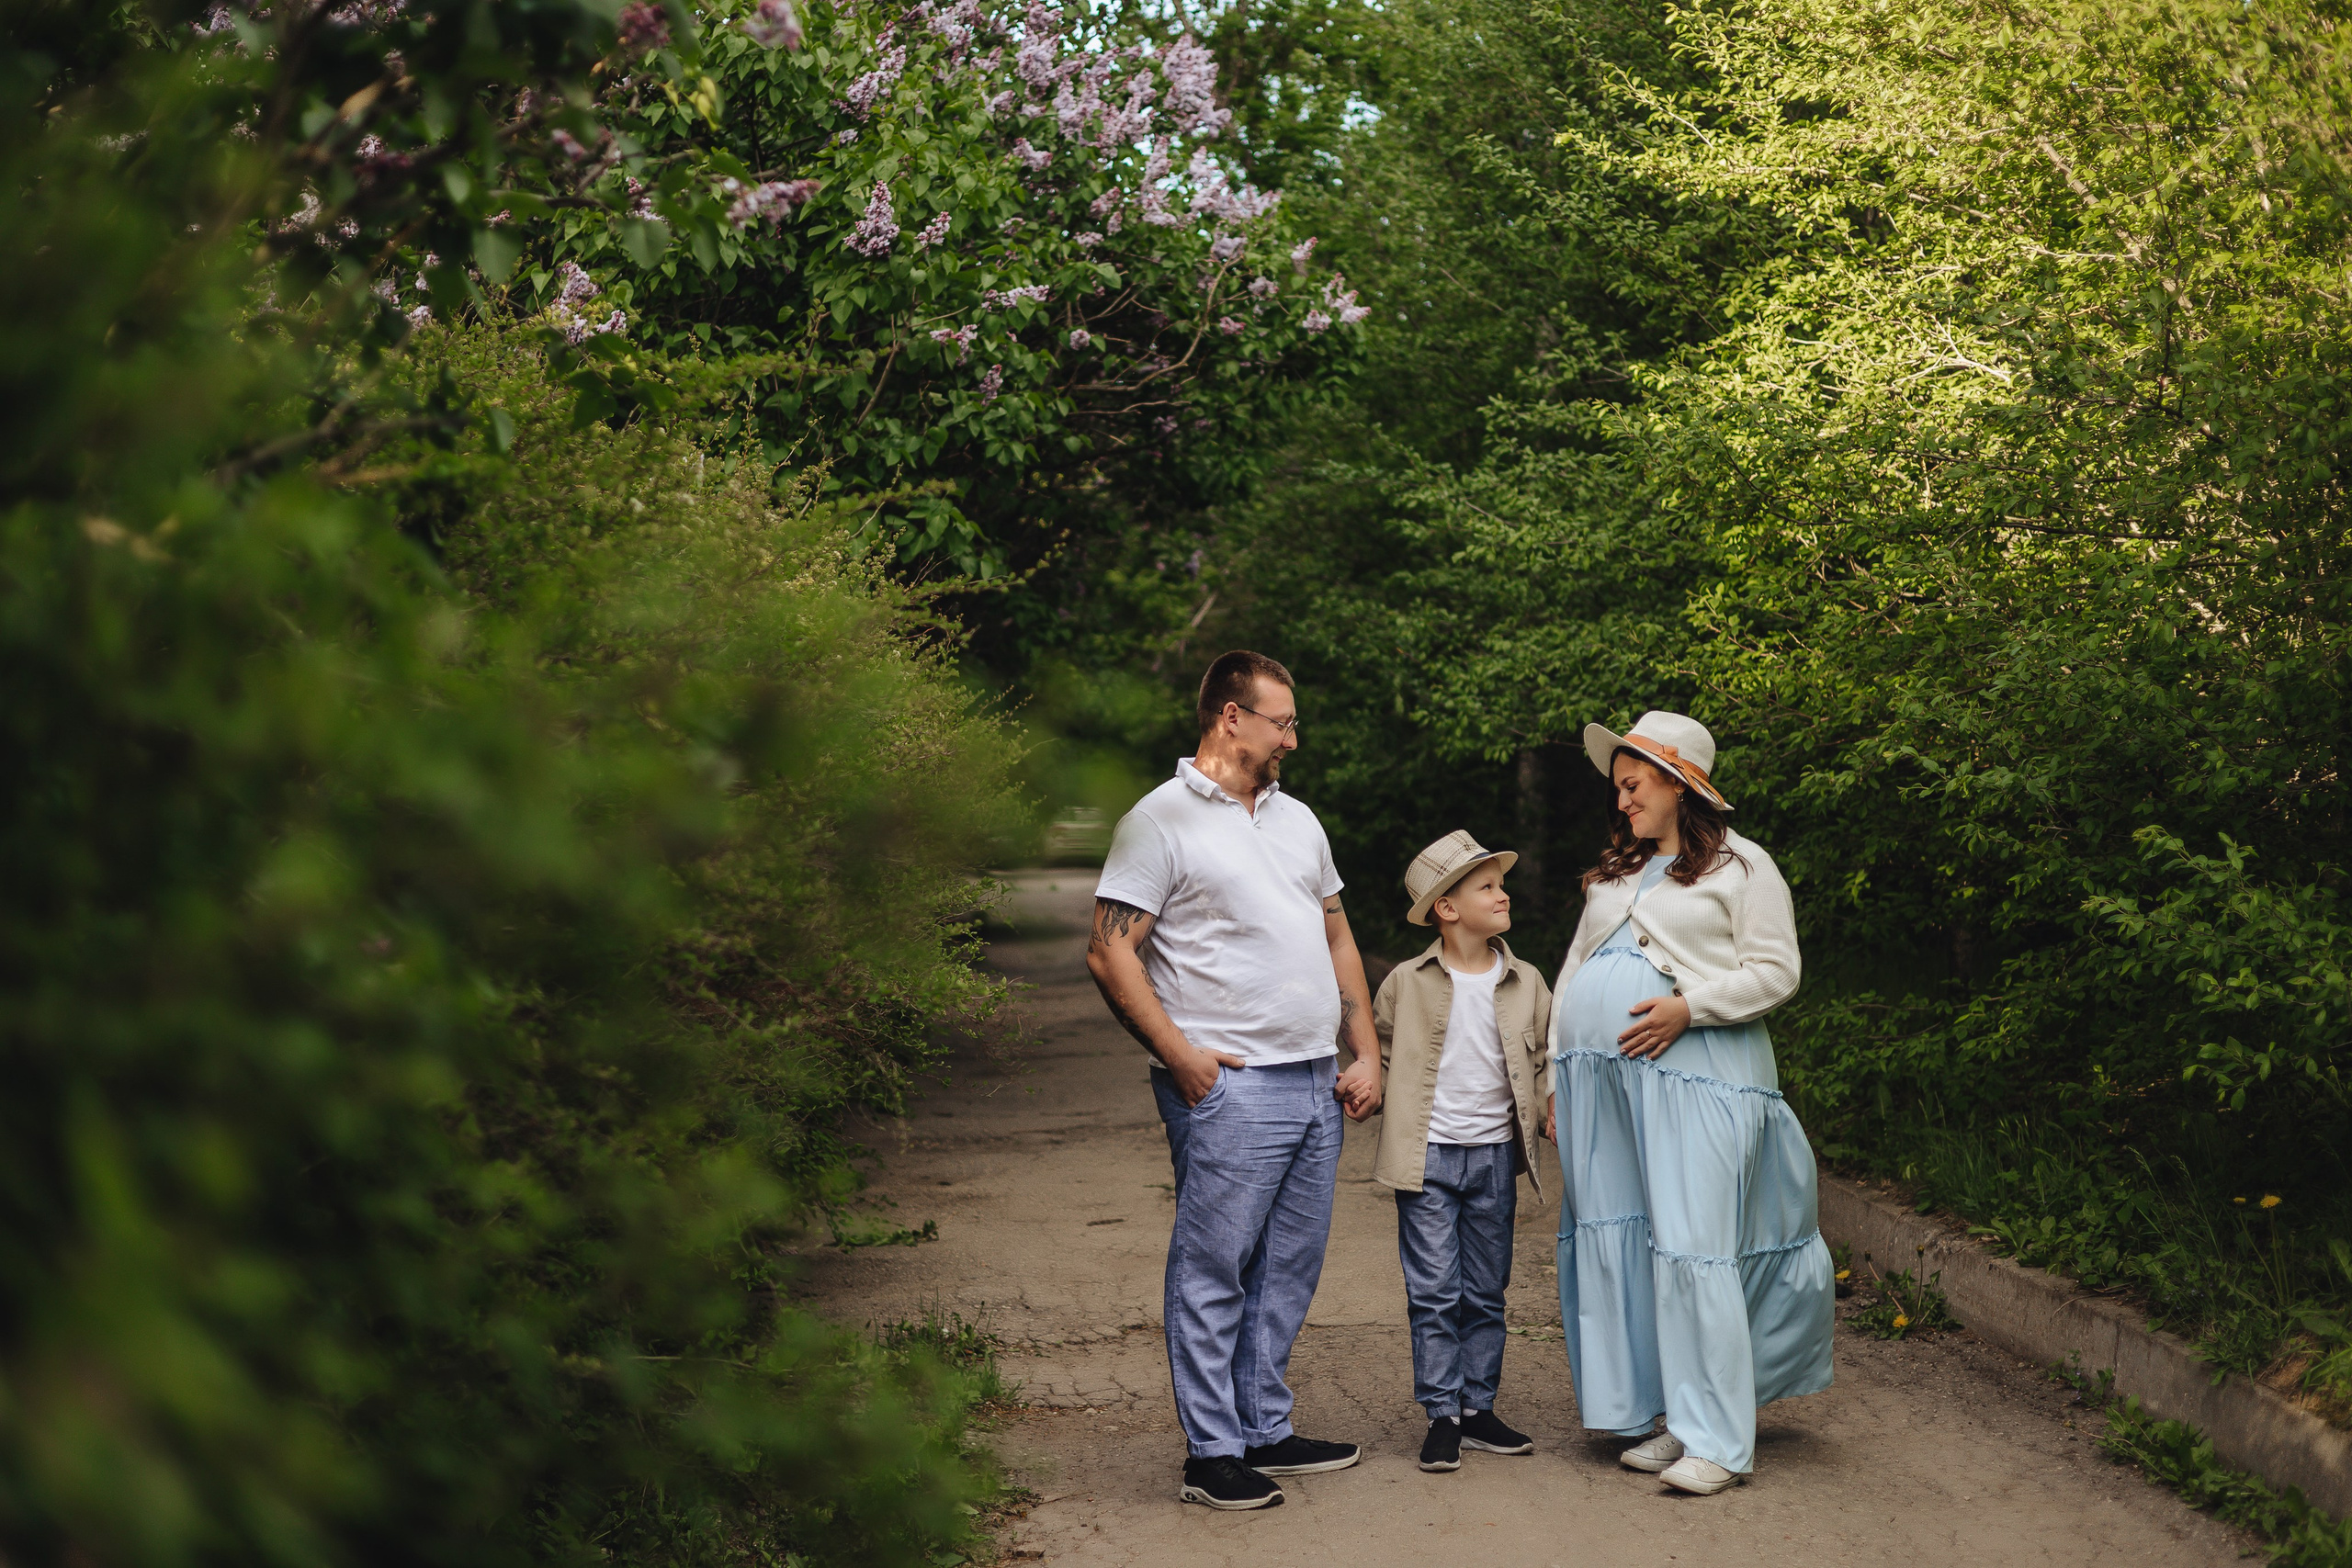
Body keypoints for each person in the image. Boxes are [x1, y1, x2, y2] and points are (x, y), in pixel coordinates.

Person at [1085, 650, 1385, 1512]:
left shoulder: (1298, 821)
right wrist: (1184, 1058)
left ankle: (1263, 1426)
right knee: (1215, 1267)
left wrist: (1362, 1050)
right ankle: (1211, 1452)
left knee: (1288, 1266)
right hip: (1232, 1089)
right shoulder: (1160, 820)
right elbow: (1110, 950)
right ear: (1229, 717)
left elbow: (1337, 939)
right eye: (1281, 721)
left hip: (1316, 1080)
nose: (1293, 736)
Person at [1545, 711, 1833, 1496]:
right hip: (1603, 1086)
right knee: (1630, 1239)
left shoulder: (1743, 867)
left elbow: (1777, 971)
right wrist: (1553, 1072)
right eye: (1618, 788)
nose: (1623, 800)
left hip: (1701, 1074)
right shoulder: (1614, 872)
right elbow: (1573, 970)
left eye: (1634, 784)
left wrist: (1689, 1007)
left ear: (1678, 783)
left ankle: (1718, 1440)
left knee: (1694, 1245)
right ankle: (1669, 1412)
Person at [1370, 831, 1553, 1474]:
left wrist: (1552, 1102)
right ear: (1446, 908)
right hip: (1427, 1159)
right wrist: (1362, 1083)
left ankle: (1479, 1409)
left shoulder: (1528, 981)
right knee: (1433, 1291)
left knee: (1485, 1289)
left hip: (1495, 1157)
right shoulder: (1405, 982)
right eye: (1486, 886)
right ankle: (1441, 1413)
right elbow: (1382, 1054)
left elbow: (1544, 1059)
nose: (1503, 894)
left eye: (1500, 884)